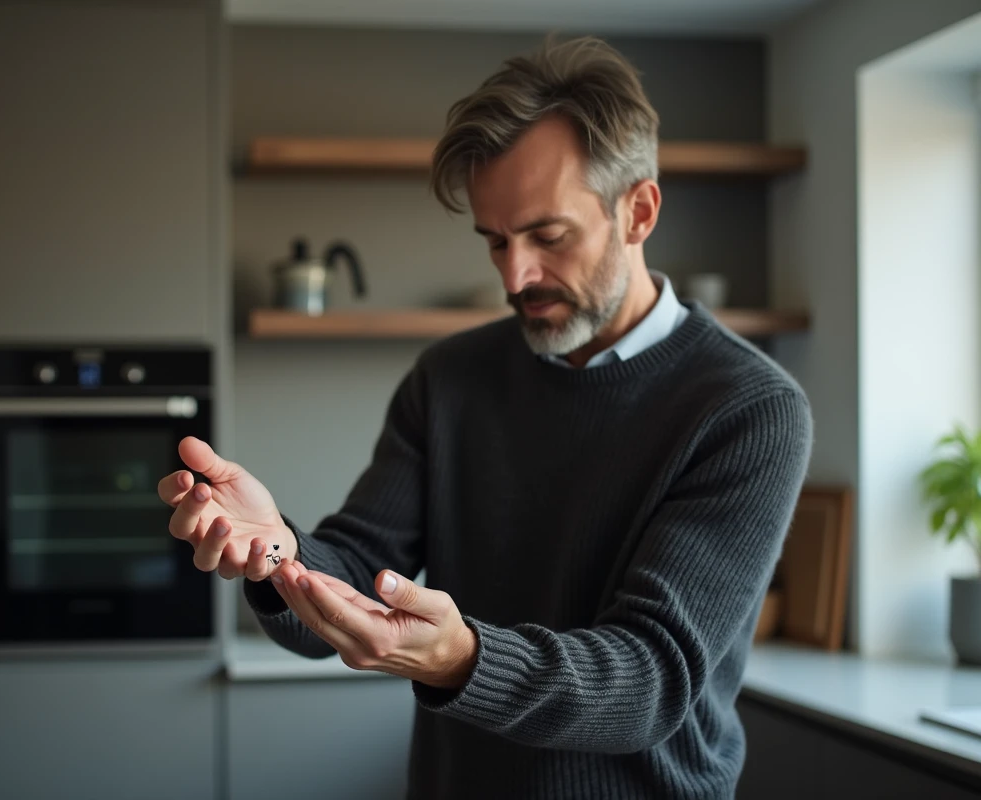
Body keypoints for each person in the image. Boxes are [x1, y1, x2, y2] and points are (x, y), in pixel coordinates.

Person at [157, 35, 813, 799]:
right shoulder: (450, 378)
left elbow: (651, 679)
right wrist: (277, 551)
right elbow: (364, 571)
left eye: (548, 236)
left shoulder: (748, 408)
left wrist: (462, 658)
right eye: (495, 240)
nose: (515, 275)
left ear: (639, 211)